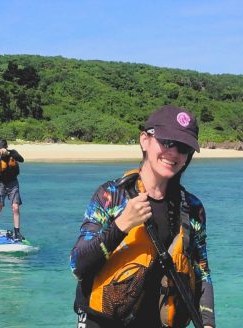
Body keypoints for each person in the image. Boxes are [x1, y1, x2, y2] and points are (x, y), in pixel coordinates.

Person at [70, 105, 216, 328]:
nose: (174, 153)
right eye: (167, 142)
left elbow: (202, 273)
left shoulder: (193, 208)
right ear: (145, 140)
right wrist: (121, 225)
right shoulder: (111, 196)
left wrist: (207, 323)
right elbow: (78, 265)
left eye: (184, 147)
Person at [0, 138, 25, 241]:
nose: (1, 151)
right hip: (1, 183)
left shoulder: (13, 153)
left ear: (6, 147)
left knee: (15, 207)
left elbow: (21, 159)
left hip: (13, 183)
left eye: (2, 149)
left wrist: (8, 153)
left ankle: (17, 232)